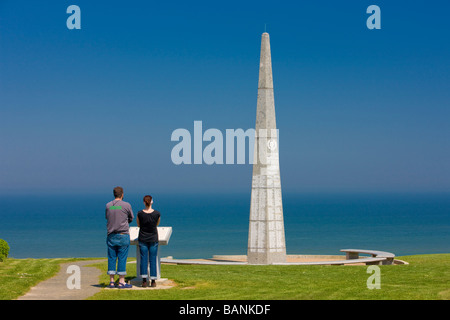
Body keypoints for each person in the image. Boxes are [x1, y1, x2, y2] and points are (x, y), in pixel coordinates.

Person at [105, 186, 134, 289]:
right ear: (122, 194)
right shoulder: (126, 205)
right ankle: (121, 281)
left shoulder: (108, 205)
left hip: (111, 235)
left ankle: (111, 281)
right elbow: (131, 217)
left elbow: (107, 217)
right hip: (123, 234)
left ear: (114, 194)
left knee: (112, 258)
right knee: (122, 258)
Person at [137, 195, 160, 288]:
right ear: (152, 202)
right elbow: (157, 224)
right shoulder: (157, 213)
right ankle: (153, 281)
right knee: (153, 259)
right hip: (153, 238)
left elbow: (138, 225)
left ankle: (144, 281)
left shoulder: (140, 213)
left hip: (143, 238)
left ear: (144, 202)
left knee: (143, 259)